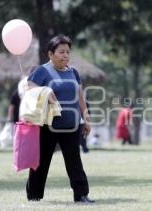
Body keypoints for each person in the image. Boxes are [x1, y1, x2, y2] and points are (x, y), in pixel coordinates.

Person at [25, 34, 94, 203]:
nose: (65, 55)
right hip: (48, 126)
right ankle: (34, 195)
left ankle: (81, 195)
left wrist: (86, 119)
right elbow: (30, 88)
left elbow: (80, 97)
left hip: (71, 126)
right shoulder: (42, 71)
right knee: (41, 162)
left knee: (74, 161)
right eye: (61, 52)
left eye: (68, 52)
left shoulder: (73, 72)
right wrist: (46, 92)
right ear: (50, 54)